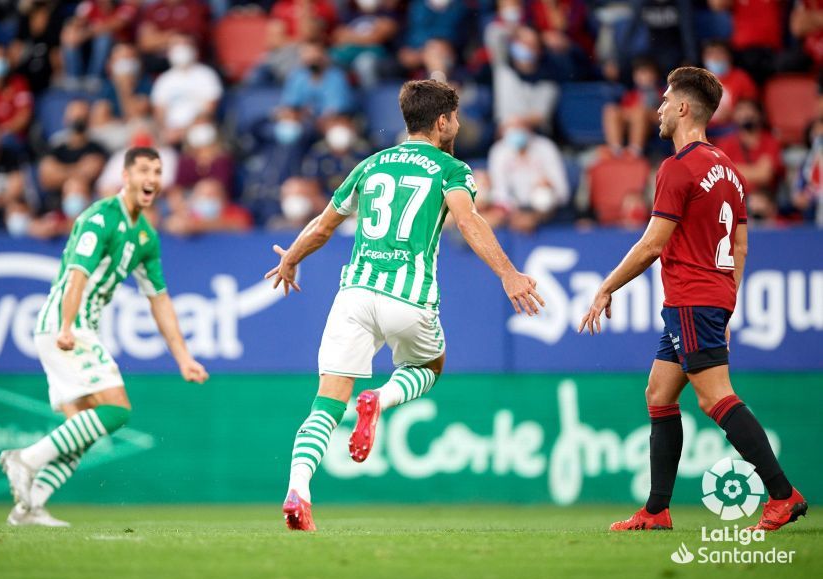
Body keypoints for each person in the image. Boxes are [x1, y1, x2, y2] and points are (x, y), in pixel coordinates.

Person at [265, 79, 545, 531]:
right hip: (408, 297)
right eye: (454, 117)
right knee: (429, 366)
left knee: (325, 405)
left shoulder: (370, 165)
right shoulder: (451, 169)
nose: (457, 124)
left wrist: (290, 260)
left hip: (353, 295)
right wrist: (508, 273)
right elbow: (469, 221)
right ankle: (380, 397)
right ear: (441, 121)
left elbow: (322, 226)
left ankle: (298, 489)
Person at [578, 66, 806, 532]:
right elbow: (740, 246)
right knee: (659, 394)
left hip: (690, 298)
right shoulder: (729, 171)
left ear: (683, 107)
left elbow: (651, 244)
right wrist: (727, 303)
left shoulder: (677, 168)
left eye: (664, 101)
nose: (658, 110)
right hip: (709, 298)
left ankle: (783, 495)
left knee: (715, 398)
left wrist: (606, 287)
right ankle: (657, 510)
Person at [0, 146, 208, 527]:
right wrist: (66, 326)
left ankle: (30, 507)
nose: (152, 178)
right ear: (125, 177)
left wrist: (183, 357)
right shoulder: (100, 217)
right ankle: (24, 459)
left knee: (82, 428)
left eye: (158, 171)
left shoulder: (146, 235)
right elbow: (77, 273)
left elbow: (159, 300)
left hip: (76, 326)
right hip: (66, 323)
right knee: (116, 409)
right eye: (144, 170)